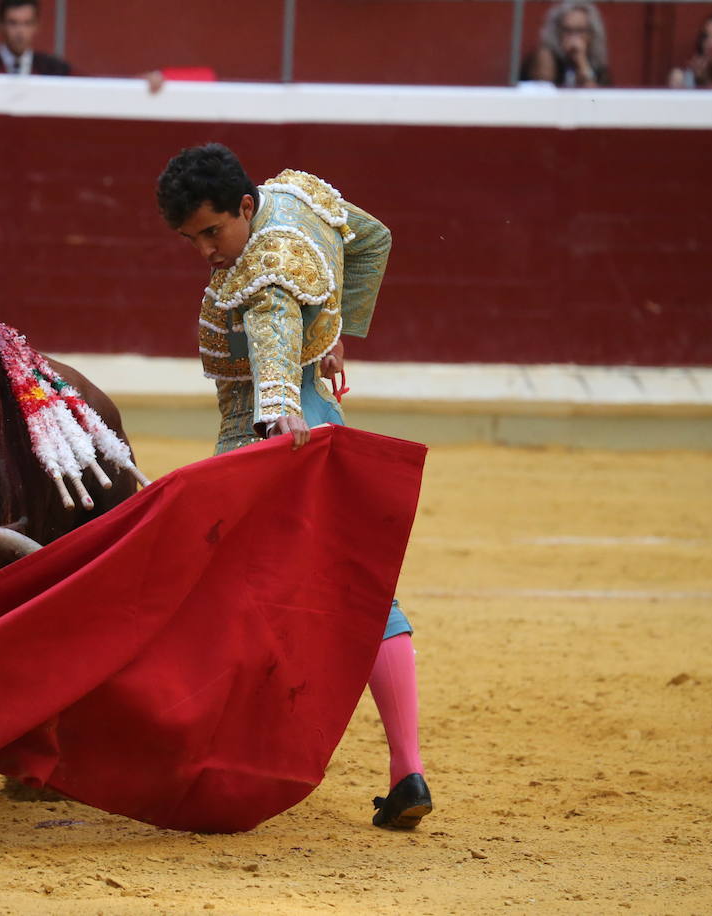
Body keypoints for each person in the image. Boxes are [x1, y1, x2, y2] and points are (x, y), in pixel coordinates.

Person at [154, 143, 432, 830]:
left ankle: (210, 764)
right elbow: (372, 242)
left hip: (269, 436)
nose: (205, 251)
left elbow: (274, 354)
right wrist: (334, 330)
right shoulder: (299, 195)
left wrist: (274, 429)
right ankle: (409, 772)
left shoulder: (264, 272)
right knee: (364, 594)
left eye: (212, 232)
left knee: (212, 593)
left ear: (244, 207)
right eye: (191, 239)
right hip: (325, 423)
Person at [0, 0, 71, 88]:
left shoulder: (55, 70)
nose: (20, 31)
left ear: (36, 26)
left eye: (27, 23)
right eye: (13, 23)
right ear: (0, 25)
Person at [523, 1, 611, 88]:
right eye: (567, 30)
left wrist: (582, 63)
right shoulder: (545, 57)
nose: (574, 37)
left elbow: (595, 99)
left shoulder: (596, 65)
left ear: (591, 34)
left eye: (580, 31)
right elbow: (543, 91)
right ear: (557, 31)